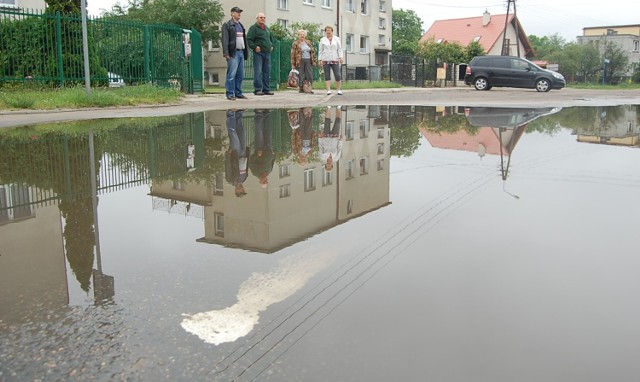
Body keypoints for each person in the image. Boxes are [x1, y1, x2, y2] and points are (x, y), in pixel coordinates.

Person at [222, 6, 248, 101]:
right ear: (232, 13)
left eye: (240, 12)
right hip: (233, 53)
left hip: (241, 52)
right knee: (231, 74)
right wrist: (226, 52)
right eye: (237, 12)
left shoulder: (240, 25)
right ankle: (230, 93)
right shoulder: (228, 25)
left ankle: (238, 93)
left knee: (240, 75)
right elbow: (225, 39)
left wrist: (246, 52)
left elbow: (244, 40)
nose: (239, 14)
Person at [247, 13, 276, 96]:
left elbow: (272, 39)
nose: (263, 19)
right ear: (257, 18)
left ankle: (266, 89)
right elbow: (249, 39)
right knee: (258, 71)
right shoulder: (254, 28)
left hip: (267, 53)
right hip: (259, 53)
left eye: (264, 17)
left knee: (267, 71)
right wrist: (255, 47)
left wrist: (272, 46)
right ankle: (257, 89)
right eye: (261, 17)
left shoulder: (267, 28)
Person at [225, 109, 249, 197]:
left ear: (236, 191)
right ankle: (238, 114)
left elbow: (228, 167)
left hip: (235, 155)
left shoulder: (231, 180)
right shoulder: (244, 178)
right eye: (243, 190)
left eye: (240, 191)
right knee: (241, 131)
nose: (242, 189)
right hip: (243, 154)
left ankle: (230, 114)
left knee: (233, 133)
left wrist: (228, 155)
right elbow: (246, 166)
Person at [250, 109, 274, 189]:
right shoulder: (269, 171)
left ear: (260, 181)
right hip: (269, 148)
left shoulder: (255, 172)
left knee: (259, 131)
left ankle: (258, 114)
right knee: (268, 131)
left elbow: (251, 162)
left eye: (264, 182)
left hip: (260, 149)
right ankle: (267, 113)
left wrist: (257, 155)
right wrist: (273, 154)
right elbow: (272, 161)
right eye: (266, 182)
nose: (266, 180)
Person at [318, 25, 343, 96]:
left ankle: (338, 90)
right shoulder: (322, 40)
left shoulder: (337, 39)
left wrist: (341, 57)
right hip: (325, 59)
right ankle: (328, 90)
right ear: (325, 32)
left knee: (337, 75)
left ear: (332, 31)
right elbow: (320, 50)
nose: (328, 32)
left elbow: (340, 49)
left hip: (335, 59)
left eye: (329, 31)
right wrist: (319, 59)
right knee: (327, 75)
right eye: (327, 31)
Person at [290, 29, 317, 94]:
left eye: (303, 35)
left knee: (309, 74)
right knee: (300, 74)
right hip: (300, 60)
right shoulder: (295, 43)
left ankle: (309, 88)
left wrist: (314, 60)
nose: (302, 36)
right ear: (298, 35)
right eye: (301, 35)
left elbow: (313, 51)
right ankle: (301, 88)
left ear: (305, 36)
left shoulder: (308, 42)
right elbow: (293, 53)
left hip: (308, 60)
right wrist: (293, 64)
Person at [319, 106, 343, 171]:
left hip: (325, 138)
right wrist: (340, 141)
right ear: (332, 164)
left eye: (327, 164)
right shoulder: (336, 158)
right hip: (334, 139)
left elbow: (320, 147)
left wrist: (320, 138)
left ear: (326, 164)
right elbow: (339, 148)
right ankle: (338, 108)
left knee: (327, 122)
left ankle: (328, 108)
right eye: (330, 164)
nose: (329, 163)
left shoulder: (322, 157)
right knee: (337, 122)